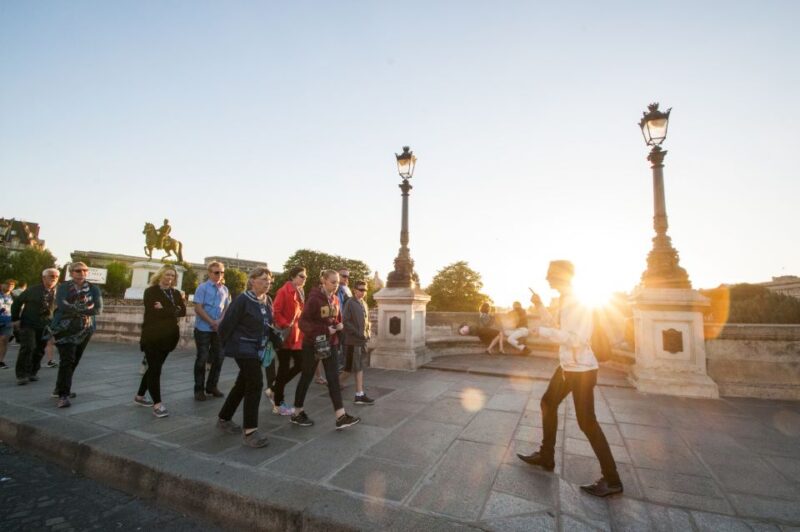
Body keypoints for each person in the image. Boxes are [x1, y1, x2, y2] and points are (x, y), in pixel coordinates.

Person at [517, 260, 623, 498]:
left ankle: (613, 479)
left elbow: (576, 338)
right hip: (568, 367)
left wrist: (539, 332)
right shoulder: (565, 300)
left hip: (582, 370)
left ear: (562, 276)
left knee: (587, 422)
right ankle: (546, 456)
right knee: (547, 403)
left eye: (550, 275)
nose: (546, 279)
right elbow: (557, 326)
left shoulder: (578, 302)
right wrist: (540, 306)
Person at [215, 267, 279, 448]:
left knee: (242, 384)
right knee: (256, 383)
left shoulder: (267, 300)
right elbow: (225, 326)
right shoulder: (242, 300)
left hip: (259, 349)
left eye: (269, 280)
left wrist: (275, 337)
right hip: (243, 349)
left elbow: (268, 324)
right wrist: (224, 349)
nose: (267, 283)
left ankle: (224, 418)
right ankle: (250, 431)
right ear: (252, 281)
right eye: (263, 279)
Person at [291, 269, 360, 430]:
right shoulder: (314, 299)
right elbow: (303, 323)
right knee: (306, 378)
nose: (336, 285)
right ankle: (297, 413)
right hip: (312, 345)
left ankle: (340, 416)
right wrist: (323, 330)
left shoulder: (335, 299)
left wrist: (338, 325)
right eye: (333, 282)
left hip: (331, 343)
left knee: (333, 379)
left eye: (337, 282)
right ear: (323, 280)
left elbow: (335, 319)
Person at [134, 265, 187, 418]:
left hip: (169, 337)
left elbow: (182, 311)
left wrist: (165, 308)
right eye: (167, 274)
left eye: (172, 275)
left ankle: (139, 396)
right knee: (155, 369)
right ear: (160, 275)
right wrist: (173, 309)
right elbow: (153, 311)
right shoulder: (151, 291)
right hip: (152, 336)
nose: (169, 278)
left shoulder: (176, 293)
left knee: (154, 367)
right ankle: (157, 404)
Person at [51, 262, 103, 408]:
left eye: (84, 270)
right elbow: (61, 304)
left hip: (85, 328)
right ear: (71, 273)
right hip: (64, 328)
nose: (81, 273)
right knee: (67, 360)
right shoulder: (63, 287)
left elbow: (98, 309)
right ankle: (63, 395)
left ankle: (60, 387)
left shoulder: (93, 289)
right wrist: (85, 308)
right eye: (78, 271)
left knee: (74, 360)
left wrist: (74, 308)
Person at [268, 266, 307, 416]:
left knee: (301, 365)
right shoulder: (284, 291)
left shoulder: (300, 291)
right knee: (284, 368)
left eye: (305, 276)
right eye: (301, 276)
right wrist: (286, 324)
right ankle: (278, 404)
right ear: (292, 276)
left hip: (296, 336)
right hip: (284, 336)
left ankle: (274, 388)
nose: (304, 279)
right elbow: (275, 311)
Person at [10, 269, 59, 385]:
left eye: (57, 276)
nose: (54, 278)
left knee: (40, 349)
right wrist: (15, 319)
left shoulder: (58, 292)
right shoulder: (32, 290)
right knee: (28, 347)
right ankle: (21, 374)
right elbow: (17, 302)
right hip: (29, 323)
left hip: (46, 325)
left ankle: (32, 372)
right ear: (43, 278)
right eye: (51, 276)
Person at [193, 261, 231, 401]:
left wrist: (219, 322)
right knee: (202, 358)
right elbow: (198, 308)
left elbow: (227, 308)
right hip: (203, 328)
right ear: (209, 273)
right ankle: (199, 389)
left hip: (218, 329)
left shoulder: (225, 290)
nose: (219, 275)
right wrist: (211, 322)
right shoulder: (202, 288)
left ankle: (212, 386)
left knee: (219, 357)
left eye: (221, 272)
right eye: (216, 272)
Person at [340, 280, 374, 405]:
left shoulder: (364, 303)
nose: (363, 292)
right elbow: (345, 321)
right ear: (354, 290)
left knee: (351, 368)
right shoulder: (350, 302)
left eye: (365, 290)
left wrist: (368, 332)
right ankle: (359, 395)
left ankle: (336, 386)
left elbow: (368, 320)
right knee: (355, 368)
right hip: (352, 341)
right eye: (360, 289)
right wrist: (357, 333)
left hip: (362, 341)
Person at [0, 279, 16, 370]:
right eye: (8, 284)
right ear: (2, 285)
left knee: (4, 340)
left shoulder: (14, 296)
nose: (10, 286)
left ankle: (1, 361)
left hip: (8, 321)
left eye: (12, 284)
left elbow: (19, 307)